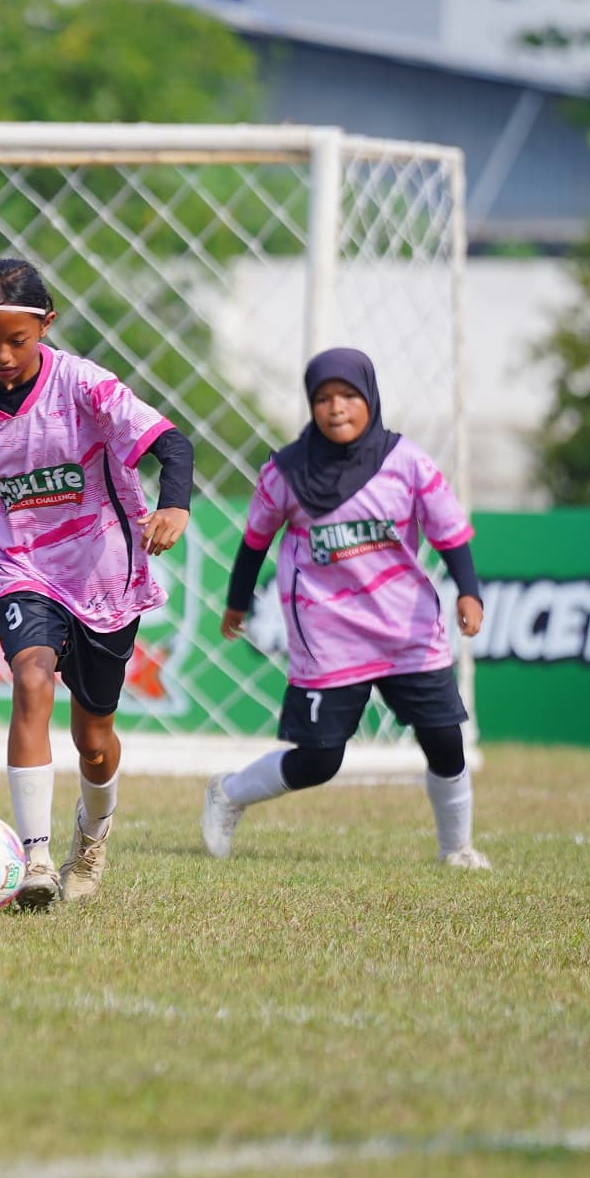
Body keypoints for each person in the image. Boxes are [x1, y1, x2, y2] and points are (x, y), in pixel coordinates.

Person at [0, 258, 196, 909]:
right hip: (19, 570)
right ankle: (35, 859)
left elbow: (174, 444)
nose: (1, 355)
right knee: (29, 678)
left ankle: (91, 837)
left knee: (94, 741)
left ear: (46, 325)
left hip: (105, 575)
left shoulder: (84, 386)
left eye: (16, 340)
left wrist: (174, 504)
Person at [196, 348, 487, 868]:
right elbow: (255, 542)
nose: (336, 408)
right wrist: (237, 603)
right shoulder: (285, 472)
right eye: (324, 398)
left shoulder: (409, 463)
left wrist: (468, 590)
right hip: (328, 635)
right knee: (320, 761)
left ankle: (456, 850)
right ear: (311, 405)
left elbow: (449, 532)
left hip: (408, 631)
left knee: (445, 742)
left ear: (370, 398)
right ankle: (229, 793)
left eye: (349, 396)